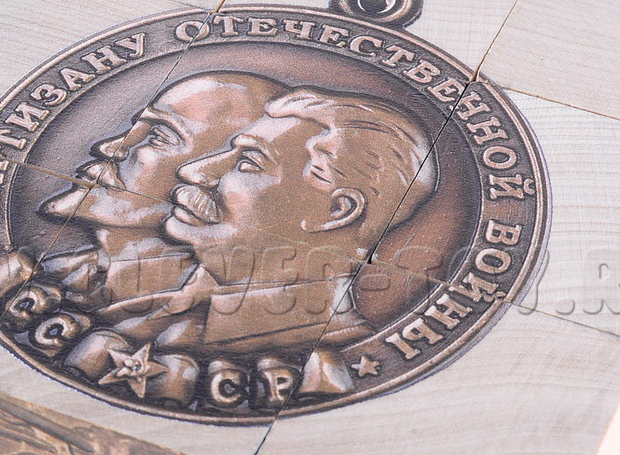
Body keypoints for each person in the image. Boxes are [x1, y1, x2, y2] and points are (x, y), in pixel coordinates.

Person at [139, 86, 437, 354]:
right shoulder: (161, 326)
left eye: (248, 163)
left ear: (335, 211)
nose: (193, 171)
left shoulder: (334, 354)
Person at [35, 71, 289, 319]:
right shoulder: (46, 272)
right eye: (135, 127)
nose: (108, 148)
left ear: (210, 176)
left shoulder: (204, 320)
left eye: (158, 137)